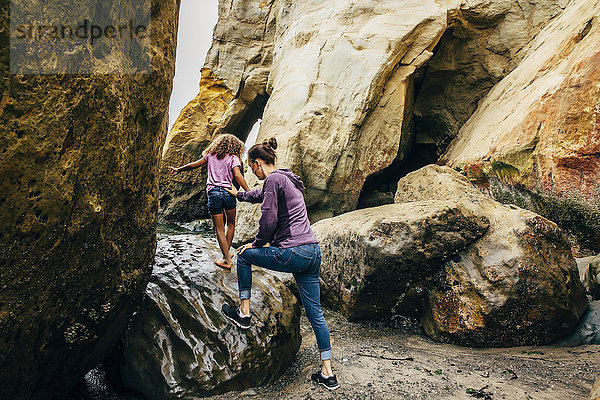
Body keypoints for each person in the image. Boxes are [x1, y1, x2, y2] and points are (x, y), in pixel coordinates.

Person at [221, 137, 339, 390]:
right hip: (312, 253)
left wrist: (257, 243)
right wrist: (239, 194)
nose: (253, 173)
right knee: (315, 314)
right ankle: (328, 373)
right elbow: (258, 195)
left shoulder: (273, 179)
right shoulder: (287, 178)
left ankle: (243, 313)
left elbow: (269, 218)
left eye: (252, 169)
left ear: (257, 163)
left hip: (293, 251)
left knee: (243, 256)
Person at [169, 133, 250, 269]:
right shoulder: (234, 158)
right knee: (230, 224)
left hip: (213, 193)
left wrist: (178, 169)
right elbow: (237, 175)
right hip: (229, 193)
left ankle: (226, 259)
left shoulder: (210, 156)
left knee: (219, 228)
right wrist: (248, 191)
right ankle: (227, 254)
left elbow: (193, 165)